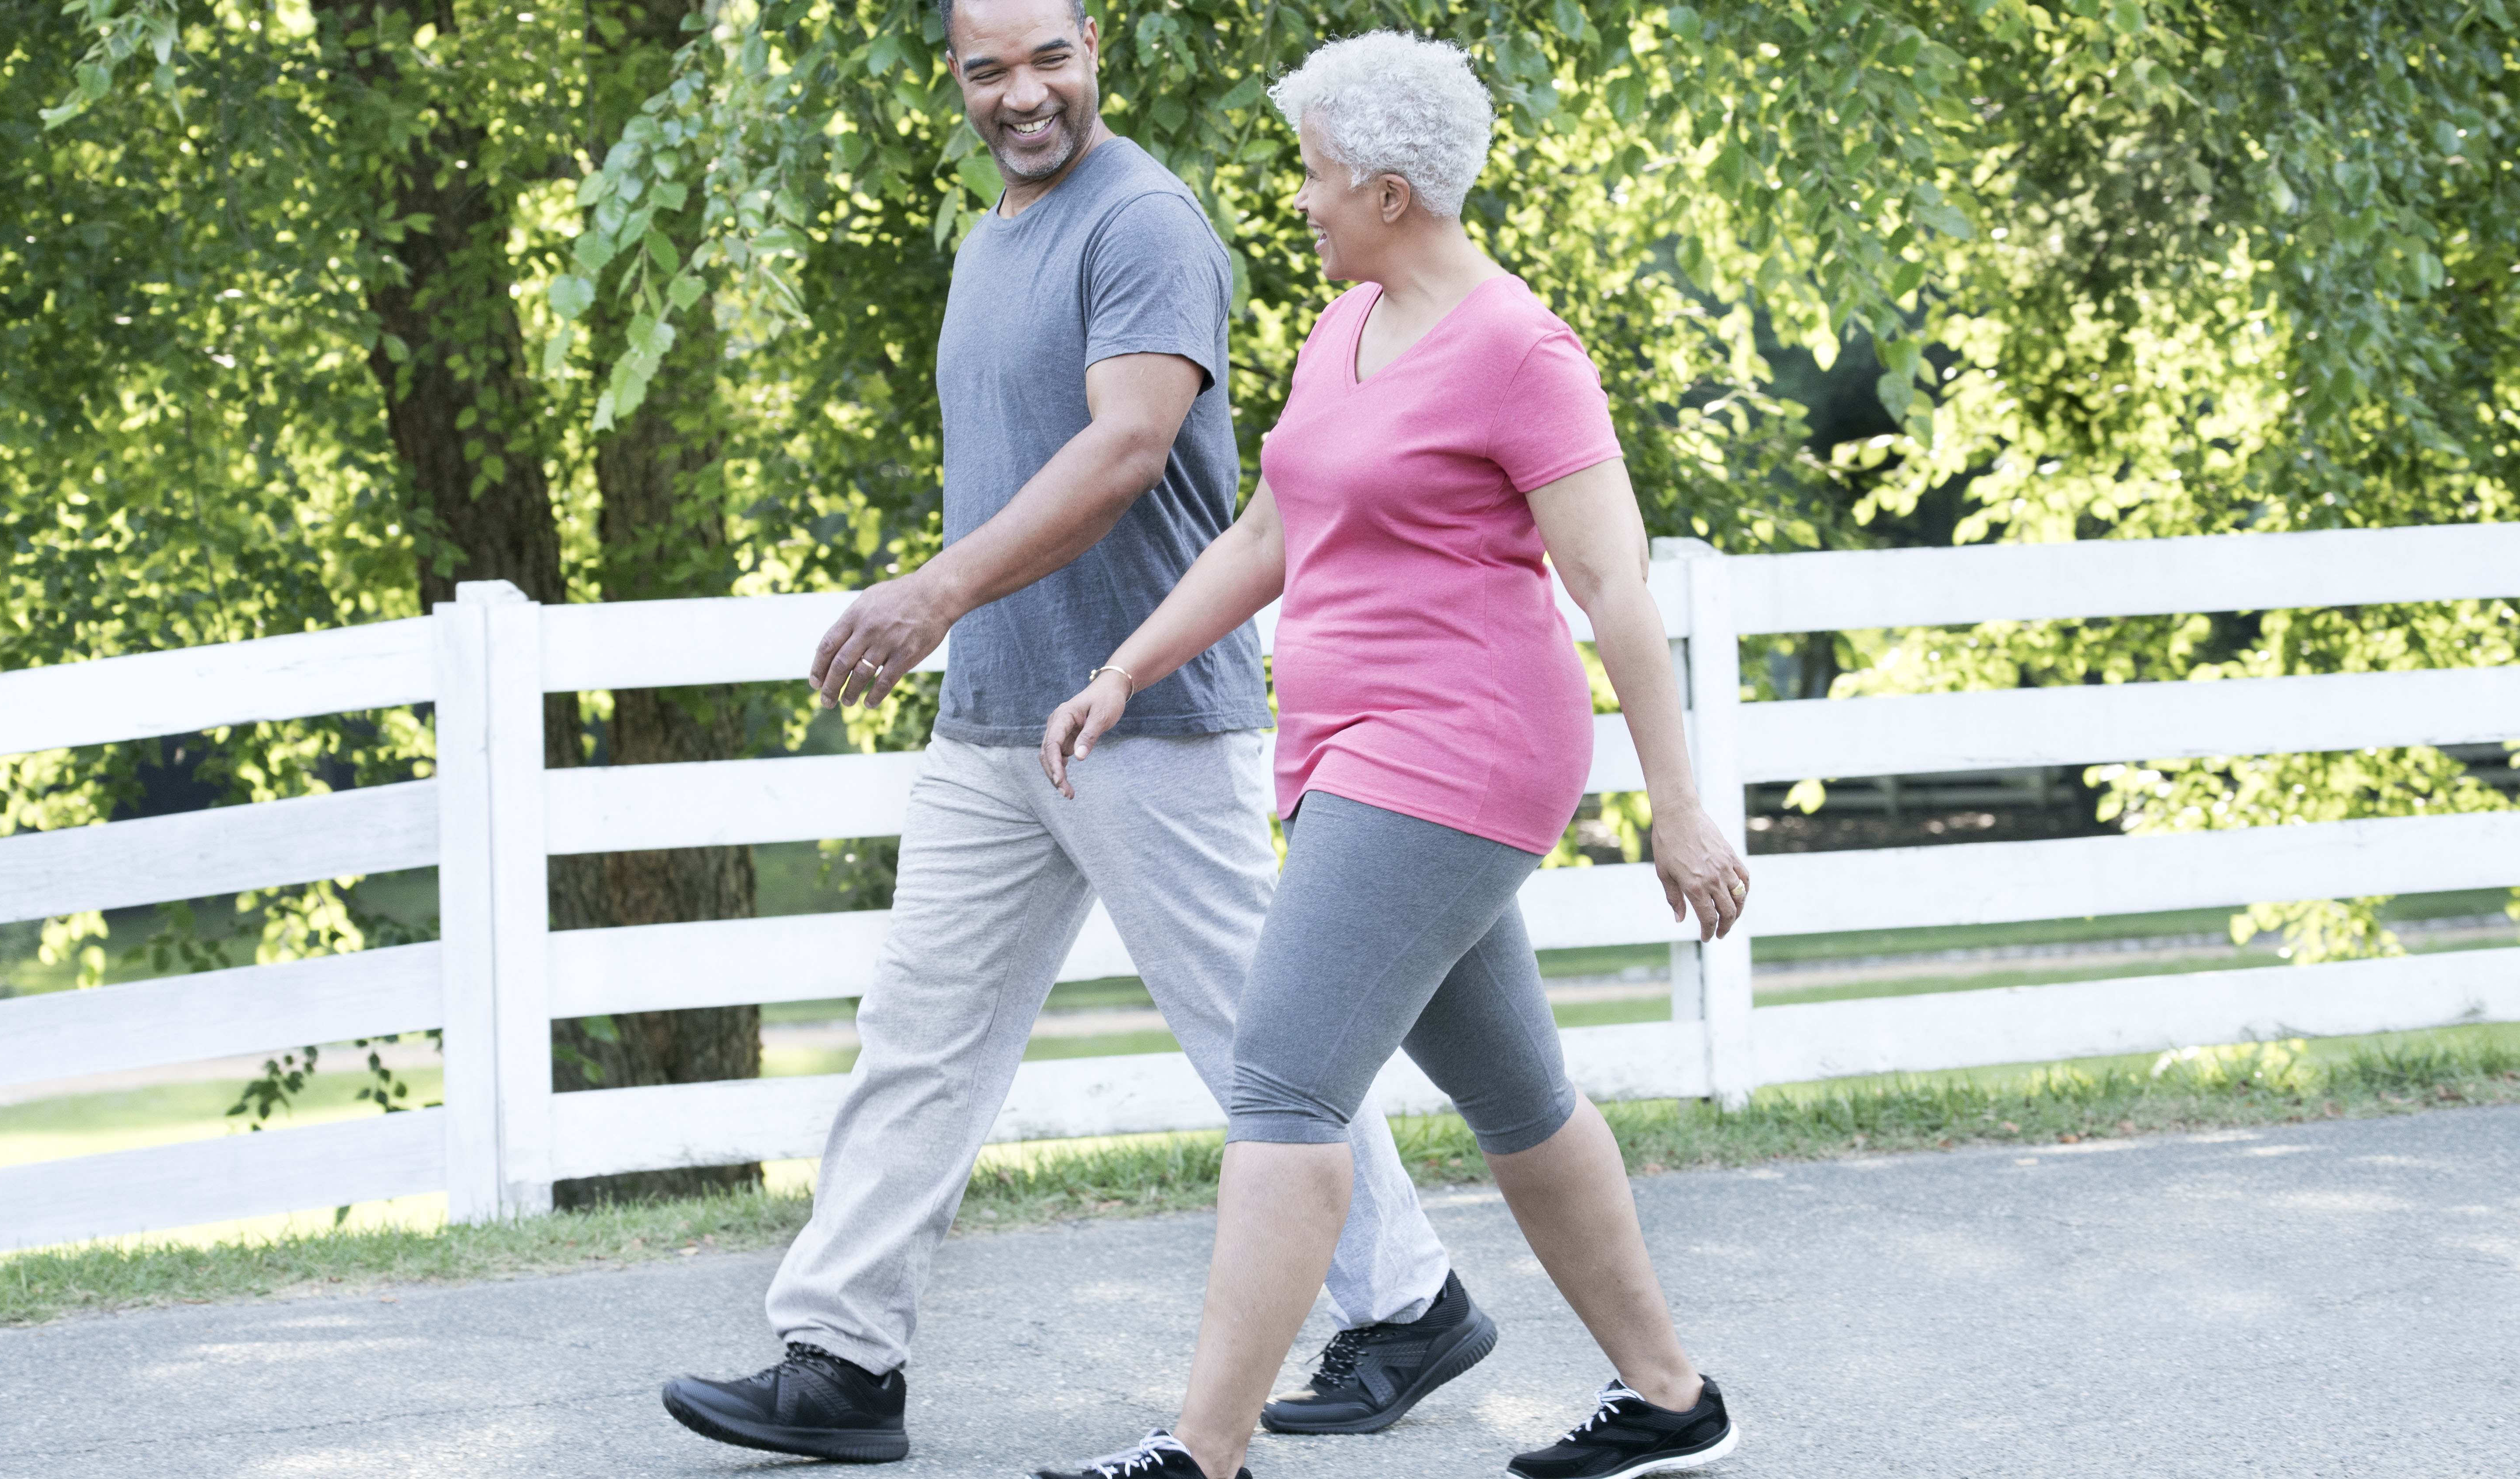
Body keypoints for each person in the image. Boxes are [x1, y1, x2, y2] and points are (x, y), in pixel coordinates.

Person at [659, 2, 1493, 1463]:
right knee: (916, 1033)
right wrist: (959, 624)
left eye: (1048, 57)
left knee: (1260, 1037)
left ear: (1093, 44)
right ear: (957, 79)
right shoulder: (996, 236)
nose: (1022, 93)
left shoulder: (1147, 222)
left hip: (1145, 711)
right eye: (988, 69)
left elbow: (1128, 447)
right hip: (995, 712)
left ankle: (1409, 1300)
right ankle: (842, 1356)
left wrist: (934, 588)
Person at [1029, 31, 1753, 1479]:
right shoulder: (1342, 330)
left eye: (1315, 175)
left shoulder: (1521, 351)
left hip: (1460, 748)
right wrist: (1124, 669)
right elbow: (1268, 536)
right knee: (1519, 1097)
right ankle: (1673, 1400)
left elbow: (1613, 589)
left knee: (1285, 1082)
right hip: (1350, 749)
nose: (1300, 200)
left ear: (1393, 190)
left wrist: (1680, 808)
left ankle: (1202, 1453)